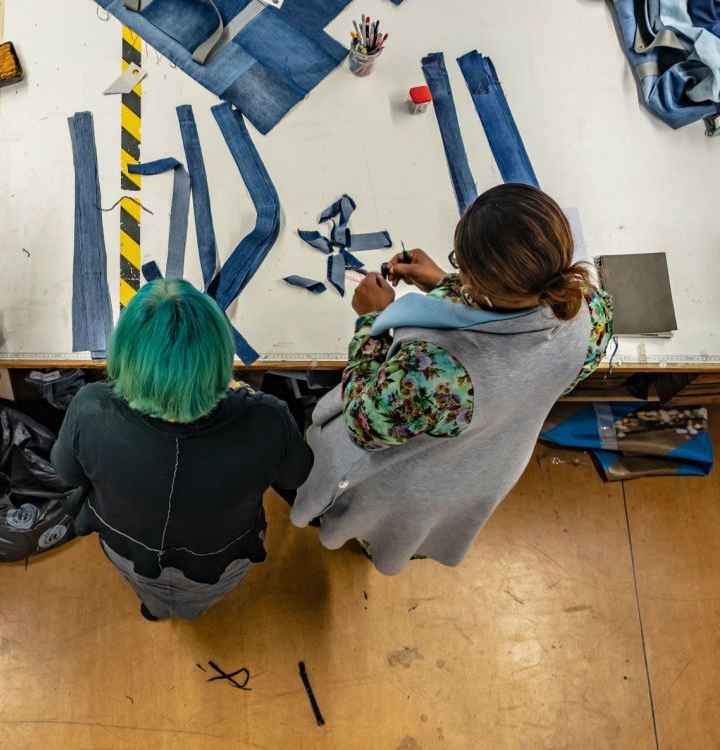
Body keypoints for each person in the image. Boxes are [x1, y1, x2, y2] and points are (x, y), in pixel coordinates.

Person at [291, 183, 614, 575]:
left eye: (461, 264)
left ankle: (362, 540)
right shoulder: (589, 311)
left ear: (482, 285)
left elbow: (364, 422)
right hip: (487, 465)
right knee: (426, 527)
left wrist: (371, 321)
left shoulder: (434, 372)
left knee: (382, 522)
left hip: (418, 479)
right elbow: (528, 345)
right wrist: (446, 284)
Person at [51, 279, 313, 621]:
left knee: (147, 589)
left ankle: (155, 609)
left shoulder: (91, 409)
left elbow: (66, 472)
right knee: (199, 599)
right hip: (219, 557)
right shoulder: (268, 419)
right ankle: (190, 613)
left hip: (130, 548)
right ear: (220, 355)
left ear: (125, 355)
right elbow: (296, 475)